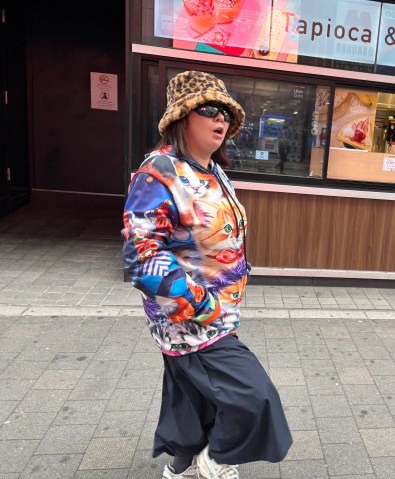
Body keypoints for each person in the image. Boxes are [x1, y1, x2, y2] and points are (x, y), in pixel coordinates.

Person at [121, 70, 292, 479]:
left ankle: (181, 465)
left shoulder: (212, 170)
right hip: (192, 318)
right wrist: (200, 303)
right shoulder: (159, 171)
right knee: (256, 397)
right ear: (182, 117)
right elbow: (141, 254)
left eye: (226, 114)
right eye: (210, 109)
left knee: (193, 398)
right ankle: (216, 459)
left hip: (216, 312)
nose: (221, 119)